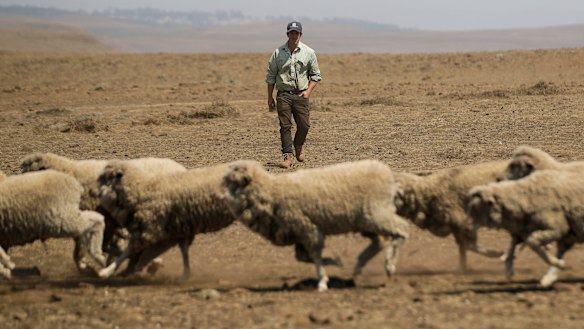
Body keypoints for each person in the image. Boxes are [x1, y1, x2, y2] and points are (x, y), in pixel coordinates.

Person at [266, 21, 322, 169]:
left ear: (300, 34)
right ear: (287, 34)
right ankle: (287, 156)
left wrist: (308, 91)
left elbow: (315, 75)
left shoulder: (309, 52)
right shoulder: (278, 53)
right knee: (285, 125)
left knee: (304, 125)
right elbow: (271, 76)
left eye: (296, 33)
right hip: (283, 94)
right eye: (291, 32)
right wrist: (269, 97)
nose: (294, 35)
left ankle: (298, 145)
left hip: (301, 95)